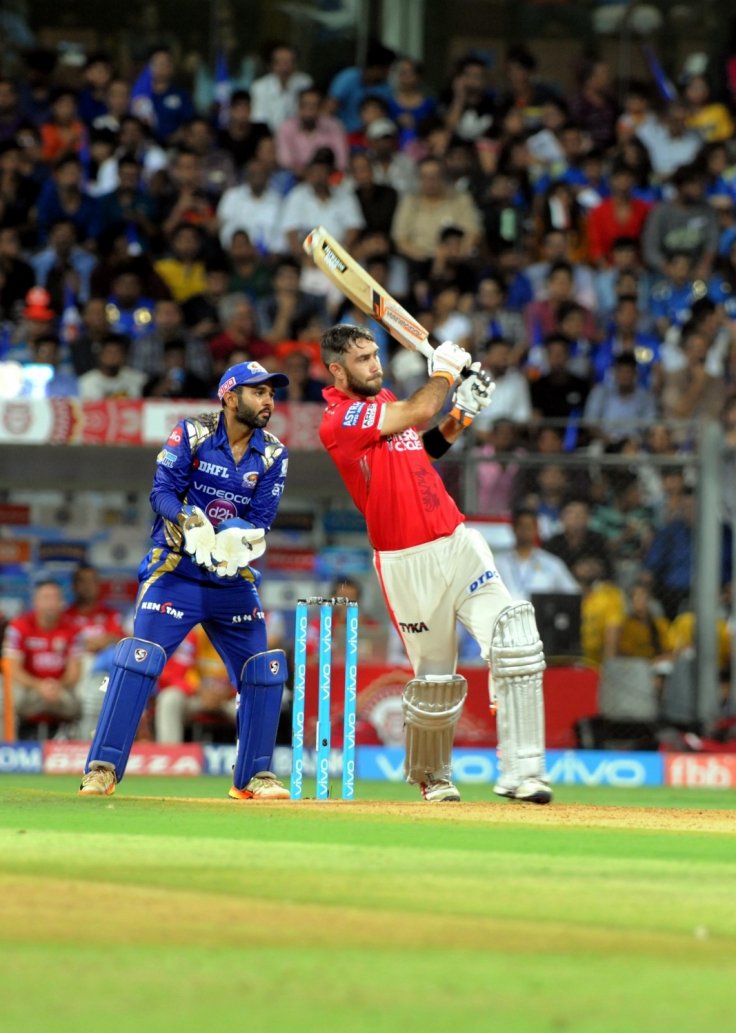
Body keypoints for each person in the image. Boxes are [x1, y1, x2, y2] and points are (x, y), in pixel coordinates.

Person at [318, 323, 552, 804]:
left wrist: (461, 415)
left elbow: (420, 452)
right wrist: (445, 375)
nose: (376, 364)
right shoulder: (340, 421)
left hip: (458, 541)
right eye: (363, 359)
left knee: (515, 640)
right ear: (337, 371)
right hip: (406, 561)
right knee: (435, 681)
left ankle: (522, 774)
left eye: (375, 355)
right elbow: (422, 407)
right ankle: (433, 776)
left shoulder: (384, 403)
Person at [78, 358, 292, 799]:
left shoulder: (273, 453)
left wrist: (240, 542)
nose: (268, 400)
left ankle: (254, 776)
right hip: (176, 568)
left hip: (230, 578)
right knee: (140, 659)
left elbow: (261, 518)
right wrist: (189, 520)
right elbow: (161, 492)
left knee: (263, 671)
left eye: (271, 393)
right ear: (230, 396)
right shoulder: (192, 432)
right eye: (258, 392)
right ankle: (102, 770)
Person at [2, 580, 82, 735]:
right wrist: (39, 685)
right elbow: (12, 668)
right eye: (46, 598)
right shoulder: (19, 626)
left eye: (55, 598)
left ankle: (85, 751)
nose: (51, 603)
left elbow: (74, 672)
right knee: (4, 696)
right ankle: (6, 748)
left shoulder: (73, 629)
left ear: (62, 602)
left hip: (60, 690)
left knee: (92, 697)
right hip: (28, 690)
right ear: (35, 602)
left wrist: (56, 685)